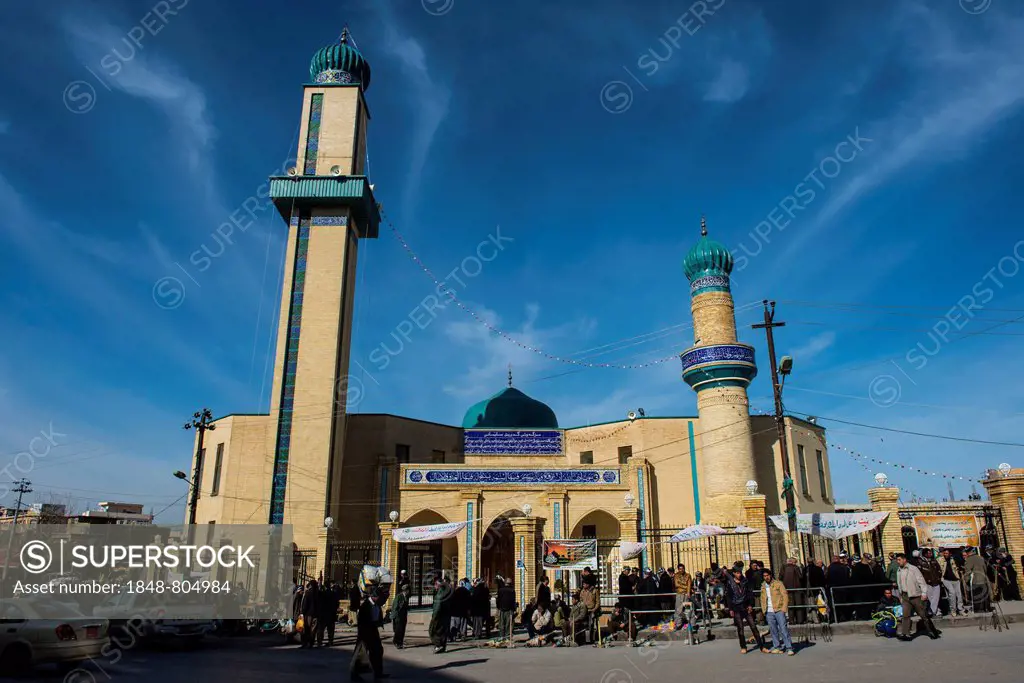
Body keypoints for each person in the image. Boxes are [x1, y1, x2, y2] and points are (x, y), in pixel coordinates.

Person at [895, 553, 940, 641]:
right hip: (905, 595)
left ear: (904, 559)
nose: (898, 561)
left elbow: (921, 580)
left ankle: (932, 632)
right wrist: (900, 596)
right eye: (897, 560)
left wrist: (924, 593)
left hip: (915, 595)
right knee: (906, 615)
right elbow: (899, 583)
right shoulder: (899, 570)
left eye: (899, 559)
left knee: (923, 615)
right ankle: (906, 634)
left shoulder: (913, 569)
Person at [725, 564, 767, 654]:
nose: (739, 574)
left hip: (745, 607)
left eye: (740, 573)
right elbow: (729, 597)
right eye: (737, 573)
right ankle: (743, 646)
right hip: (736, 608)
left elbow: (749, 593)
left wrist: (750, 605)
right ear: (734, 574)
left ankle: (761, 646)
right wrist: (731, 609)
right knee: (740, 629)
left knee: (753, 627)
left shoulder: (745, 581)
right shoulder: (730, 583)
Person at [351, 585, 387, 681]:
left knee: (378, 651)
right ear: (374, 597)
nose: (380, 599)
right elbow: (361, 621)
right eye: (379, 597)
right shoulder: (365, 606)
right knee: (361, 653)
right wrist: (363, 634)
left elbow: (378, 615)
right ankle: (355, 674)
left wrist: (380, 622)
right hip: (365, 632)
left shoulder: (377, 605)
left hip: (373, 630)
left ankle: (378, 672)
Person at [760, 568, 795, 655]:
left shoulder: (778, 583)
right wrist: (764, 609)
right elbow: (762, 598)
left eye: (767, 575)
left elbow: (785, 595)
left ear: (770, 575)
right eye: (764, 576)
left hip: (779, 609)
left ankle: (789, 647)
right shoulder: (763, 585)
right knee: (773, 630)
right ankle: (777, 646)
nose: (766, 577)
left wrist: (784, 608)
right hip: (769, 611)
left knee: (783, 629)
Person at [963, 546, 992, 613]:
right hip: (983, 579)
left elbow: (967, 571)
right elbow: (985, 568)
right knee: (985, 595)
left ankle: (979, 609)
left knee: (977, 595)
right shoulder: (981, 558)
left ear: (968, 553)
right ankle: (986, 608)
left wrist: (967, 580)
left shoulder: (969, 559)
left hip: (975, 580)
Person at [938, 548, 964, 617]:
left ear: (950, 554)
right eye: (945, 553)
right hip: (946, 579)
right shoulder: (940, 559)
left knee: (959, 595)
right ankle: (953, 610)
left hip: (955, 579)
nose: (946, 554)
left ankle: (960, 609)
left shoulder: (953, 559)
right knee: (952, 593)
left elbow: (959, 566)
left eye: (947, 553)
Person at [429, 577, 452, 654]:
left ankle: (438, 645)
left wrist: (434, 617)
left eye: (435, 585)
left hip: (439, 615)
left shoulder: (439, 594)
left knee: (433, 631)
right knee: (443, 631)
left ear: (438, 585)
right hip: (446, 614)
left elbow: (437, 607)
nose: (434, 587)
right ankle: (443, 646)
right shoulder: (447, 592)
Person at [917, 548, 942, 616]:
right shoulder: (920, 562)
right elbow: (920, 573)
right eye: (928, 553)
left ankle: (933, 611)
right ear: (925, 554)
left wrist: (938, 577)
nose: (930, 554)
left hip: (936, 581)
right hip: (927, 583)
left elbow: (939, 569)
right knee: (931, 597)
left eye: (930, 553)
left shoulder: (934, 560)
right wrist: (924, 580)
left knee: (936, 597)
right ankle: (936, 611)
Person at [780, 557, 805, 624]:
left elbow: (780, 578)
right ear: (792, 562)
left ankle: (791, 621)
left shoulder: (783, 568)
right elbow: (800, 577)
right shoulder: (796, 567)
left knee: (790, 606)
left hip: (787, 589)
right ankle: (800, 620)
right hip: (797, 589)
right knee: (798, 605)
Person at [317, 579, 340, 646]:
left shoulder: (322, 594)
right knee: (330, 629)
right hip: (331, 613)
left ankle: (320, 641)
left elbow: (319, 603)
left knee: (321, 629)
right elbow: (337, 603)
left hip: (323, 614)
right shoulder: (334, 594)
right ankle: (330, 641)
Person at [673, 563, 693, 630]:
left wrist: (688, 592)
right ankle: (678, 624)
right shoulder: (676, 575)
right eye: (680, 569)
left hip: (686, 594)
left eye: (682, 569)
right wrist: (686, 587)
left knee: (687, 610)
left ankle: (690, 623)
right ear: (678, 569)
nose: (681, 570)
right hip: (679, 594)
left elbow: (689, 584)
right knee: (678, 609)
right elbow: (677, 585)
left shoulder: (688, 575)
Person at [300, 579, 319, 649]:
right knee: (313, 630)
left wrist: (302, 612)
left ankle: (305, 642)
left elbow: (305, 604)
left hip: (308, 614)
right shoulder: (318, 593)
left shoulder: (308, 593)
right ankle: (311, 642)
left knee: (307, 628)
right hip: (316, 614)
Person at [496, 577, 516, 642]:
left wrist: (498, 607)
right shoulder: (512, 590)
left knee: (501, 623)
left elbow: (498, 600)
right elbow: (513, 601)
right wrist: (514, 609)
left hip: (502, 608)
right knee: (508, 623)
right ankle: (508, 636)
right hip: (509, 609)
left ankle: (501, 636)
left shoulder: (500, 590)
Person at [390, 583, 410, 649]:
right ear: (405, 590)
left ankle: (400, 642)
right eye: (408, 590)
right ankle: (397, 642)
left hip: (404, 616)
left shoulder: (406, 597)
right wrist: (393, 617)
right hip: (398, 616)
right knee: (398, 630)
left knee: (402, 630)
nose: (409, 591)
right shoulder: (399, 597)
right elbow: (395, 607)